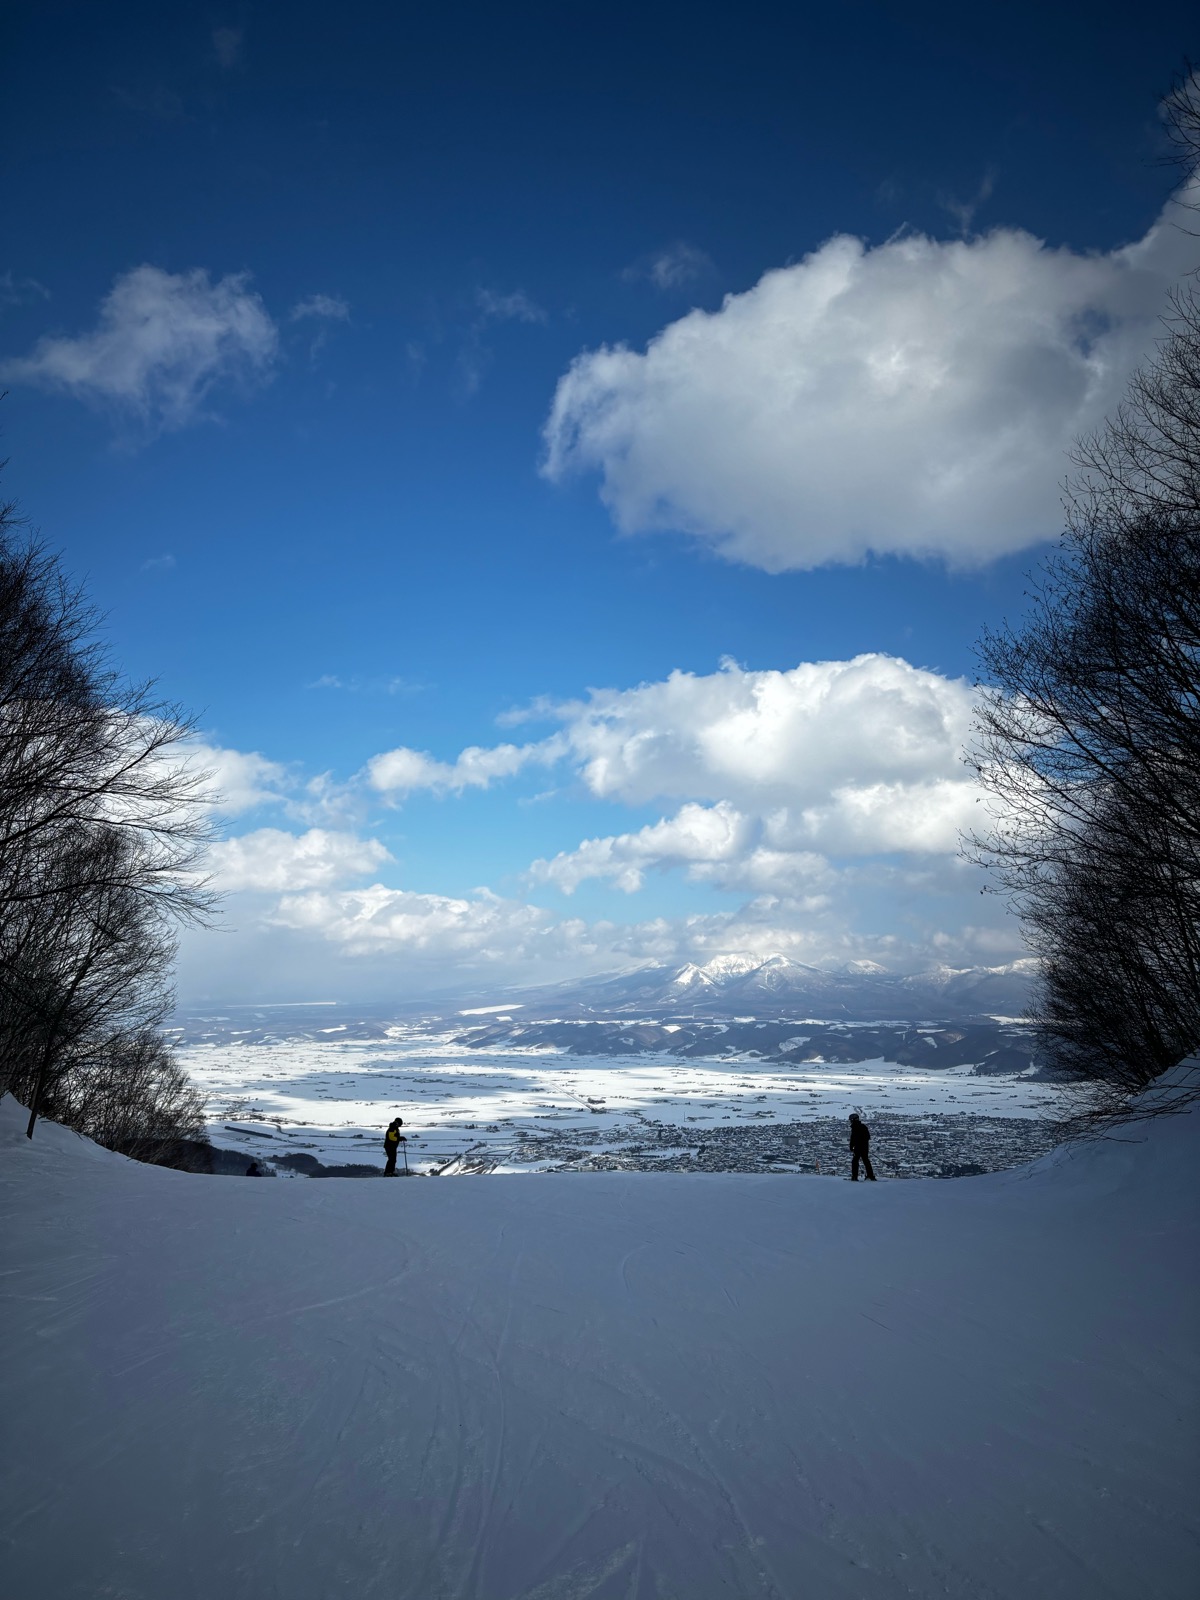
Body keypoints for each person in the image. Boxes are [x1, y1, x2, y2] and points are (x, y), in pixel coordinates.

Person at [848, 1113, 876, 1181]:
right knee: (866, 1161)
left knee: (855, 1161)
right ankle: (870, 1176)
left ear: (853, 1120)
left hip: (857, 1147)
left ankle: (854, 1177)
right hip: (864, 1147)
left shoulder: (854, 1127)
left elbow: (853, 1139)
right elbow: (868, 1137)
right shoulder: (863, 1127)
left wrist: (852, 1146)